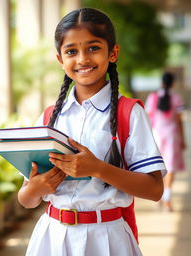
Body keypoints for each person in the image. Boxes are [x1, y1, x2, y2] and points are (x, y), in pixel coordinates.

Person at [18, 8, 166, 256]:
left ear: (113, 53)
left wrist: (97, 168)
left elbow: (154, 190)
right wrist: (36, 188)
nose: (83, 59)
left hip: (106, 238)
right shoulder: (49, 118)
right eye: (71, 51)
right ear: (60, 60)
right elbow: (26, 198)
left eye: (93, 48)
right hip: (51, 238)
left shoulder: (129, 113)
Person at [145, 72, 185, 211]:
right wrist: (183, 139)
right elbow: (179, 121)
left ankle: (160, 194)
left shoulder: (153, 97)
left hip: (156, 135)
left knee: (157, 166)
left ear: (161, 82)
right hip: (172, 136)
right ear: (172, 83)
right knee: (171, 167)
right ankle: (167, 197)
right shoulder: (176, 98)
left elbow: (148, 119)